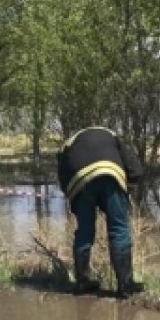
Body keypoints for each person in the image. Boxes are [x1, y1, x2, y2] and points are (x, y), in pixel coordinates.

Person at [56, 126, 145, 297]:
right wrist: (127, 188)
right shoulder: (112, 135)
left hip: (79, 180)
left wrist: (74, 199)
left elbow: (63, 177)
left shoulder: (69, 143)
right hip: (110, 174)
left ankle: (83, 282)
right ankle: (125, 285)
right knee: (119, 229)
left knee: (85, 231)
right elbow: (136, 170)